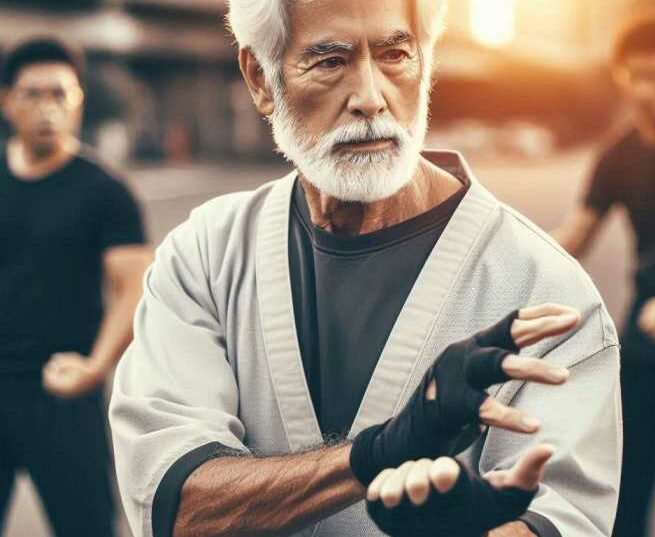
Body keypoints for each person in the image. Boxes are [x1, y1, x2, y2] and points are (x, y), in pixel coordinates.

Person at [109, 2, 622, 537]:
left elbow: (563, 518)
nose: (371, 99)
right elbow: (175, 508)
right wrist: (380, 453)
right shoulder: (204, 258)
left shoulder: (545, 291)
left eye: (396, 54)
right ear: (260, 78)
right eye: (330, 61)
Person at [554, 15, 655, 537]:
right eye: (633, 76)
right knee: (628, 480)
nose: (642, 90)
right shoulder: (617, 154)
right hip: (648, 324)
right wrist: (503, 256)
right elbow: (576, 236)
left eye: (654, 76)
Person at [0, 38, 152, 537]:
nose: (47, 108)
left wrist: (96, 366)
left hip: (63, 392)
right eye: (32, 94)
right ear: (6, 101)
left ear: (79, 100)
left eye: (60, 94)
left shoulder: (104, 191)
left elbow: (133, 288)